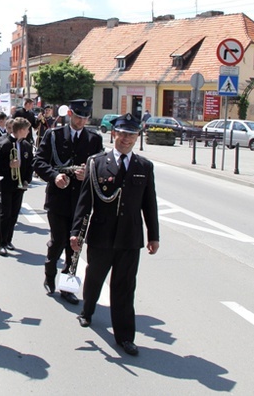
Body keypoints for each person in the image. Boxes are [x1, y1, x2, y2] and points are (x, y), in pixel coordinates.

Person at [71, 113, 159, 356]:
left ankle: (125, 337)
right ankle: (87, 310)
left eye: (131, 134)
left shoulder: (144, 166)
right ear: (114, 134)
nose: (126, 139)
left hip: (130, 238)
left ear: (137, 137)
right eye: (122, 134)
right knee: (94, 279)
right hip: (101, 234)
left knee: (125, 287)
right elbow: (84, 202)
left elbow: (149, 204)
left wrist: (153, 236)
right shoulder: (96, 162)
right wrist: (76, 233)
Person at [33, 99, 103, 305]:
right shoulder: (53, 135)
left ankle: (67, 286)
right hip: (58, 198)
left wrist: (88, 174)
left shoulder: (94, 139)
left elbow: (100, 166)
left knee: (75, 246)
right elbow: (39, 161)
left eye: (85, 118)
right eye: (78, 116)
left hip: (81, 201)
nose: (81, 121)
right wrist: (54, 176)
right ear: (70, 114)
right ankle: (49, 274)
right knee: (58, 241)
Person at [0, 116, 33, 256]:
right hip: (5, 183)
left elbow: (29, 166)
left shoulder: (26, 146)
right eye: (27, 130)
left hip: (19, 185)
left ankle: (8, 239)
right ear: (21, 130)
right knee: (5, 214)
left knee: (14, 214)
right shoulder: (3, 143)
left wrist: (27, 179)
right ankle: (0, 241)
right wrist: (8, 165)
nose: (28, 132)